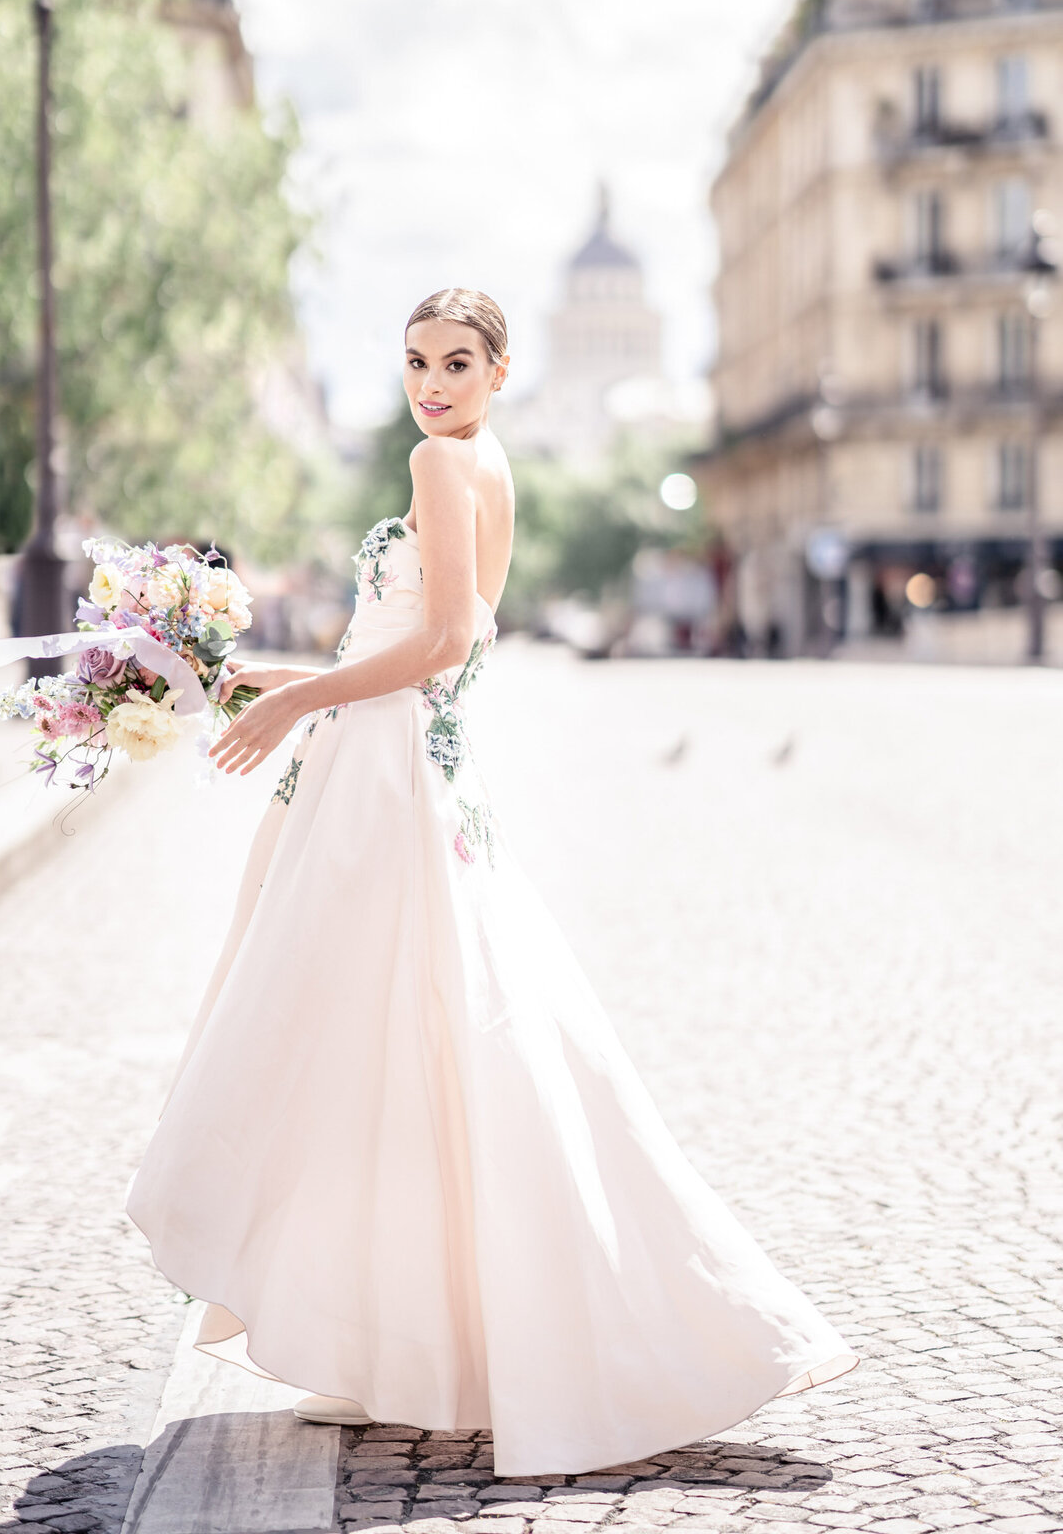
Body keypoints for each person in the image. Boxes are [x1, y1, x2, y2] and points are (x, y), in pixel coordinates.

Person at [125, 287, 857, 1478]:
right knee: (409, 1048)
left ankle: (445, 1340)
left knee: (360, 1037)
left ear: (502, 368)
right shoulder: (484, 464)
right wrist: (280, 673)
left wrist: (303, 703)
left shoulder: (440, 463)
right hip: (400, 765)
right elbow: (408, 639)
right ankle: (413, 1349)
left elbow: (446, 645)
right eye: (416, 361)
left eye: (457, 362)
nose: (433, 384)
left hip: (391, 778)